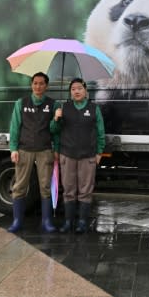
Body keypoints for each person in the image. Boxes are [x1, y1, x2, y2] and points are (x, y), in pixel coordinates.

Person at [8, 72, 60, 233]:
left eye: (42, 83)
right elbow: (15, 127)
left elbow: (55, 131)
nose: (38, 86)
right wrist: (13, 149)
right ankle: (17, 221)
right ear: (31, 85)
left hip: (45, 150)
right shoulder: (21, 103)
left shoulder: (53, 104)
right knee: (20, 185)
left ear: (47, 86)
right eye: (35, 83)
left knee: (45, 186)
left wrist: (56, 119)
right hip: (24, 149)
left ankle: (47, 222)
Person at [54, 77, 105, 234]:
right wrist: (56, 118)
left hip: (88, 155)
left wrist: (99, 152)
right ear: (70, 92)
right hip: (67, 154)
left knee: (85, 190)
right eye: (73, 89)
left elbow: (100, 132)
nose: (76, 91)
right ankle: (68, 222)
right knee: (68, 189)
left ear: (85, 91)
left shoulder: (93, 108)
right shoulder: (64, 108)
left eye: (79, 88)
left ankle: (82, 222)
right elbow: (54, 131)